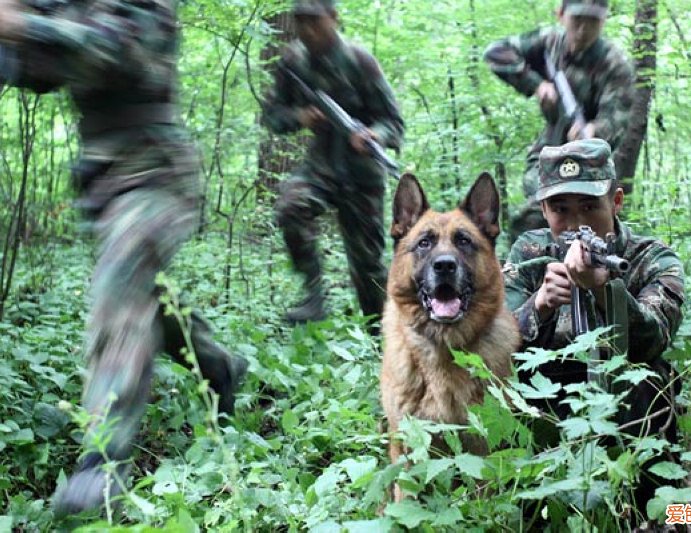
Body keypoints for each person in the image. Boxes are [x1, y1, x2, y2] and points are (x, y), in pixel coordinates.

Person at [0, 0, 248, 515]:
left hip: (160, 177)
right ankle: (218, 366)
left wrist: (22, 23)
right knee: (143, 297)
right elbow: (37, 70)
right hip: (107, 186)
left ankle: (103, 461)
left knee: (120, 277)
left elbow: (118, 51)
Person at [503, 138, 684, 514]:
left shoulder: (651, 256)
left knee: (650, 380)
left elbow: (654, 338)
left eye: (589, 207)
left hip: (625, 395)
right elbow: (497, 340)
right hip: (548, 392)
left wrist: (605, 290)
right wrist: (540, 305)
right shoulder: (529, 252)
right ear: (543, 209)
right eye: (560, 209)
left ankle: (650, 512)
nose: (576, 223)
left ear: (615, 202)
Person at [263, 0, 404, 326]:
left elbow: (394, 123)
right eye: (300, 21)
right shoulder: (293, 62)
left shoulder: (360, 62)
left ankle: (380, 338)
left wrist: (374, 135)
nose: (307, 30)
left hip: (362, 176)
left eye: (315, 21)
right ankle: (314, 295)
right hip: (321, 168)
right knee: (290, 207)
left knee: (367, 266)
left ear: (333, 18)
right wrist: (299, 116)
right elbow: (272, 115)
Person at [484, 0, 634, 239]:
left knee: (589, 216)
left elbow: (617, 118)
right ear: (561, 15)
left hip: (592, 159)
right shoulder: (549, 42)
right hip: (551, 146)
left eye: (592, 22)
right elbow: (495, 53)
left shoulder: (615, 65)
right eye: (577, 21)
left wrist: (594, 130)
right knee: (536, 211)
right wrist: (536, 85)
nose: (583, 30)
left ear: (604, 21)